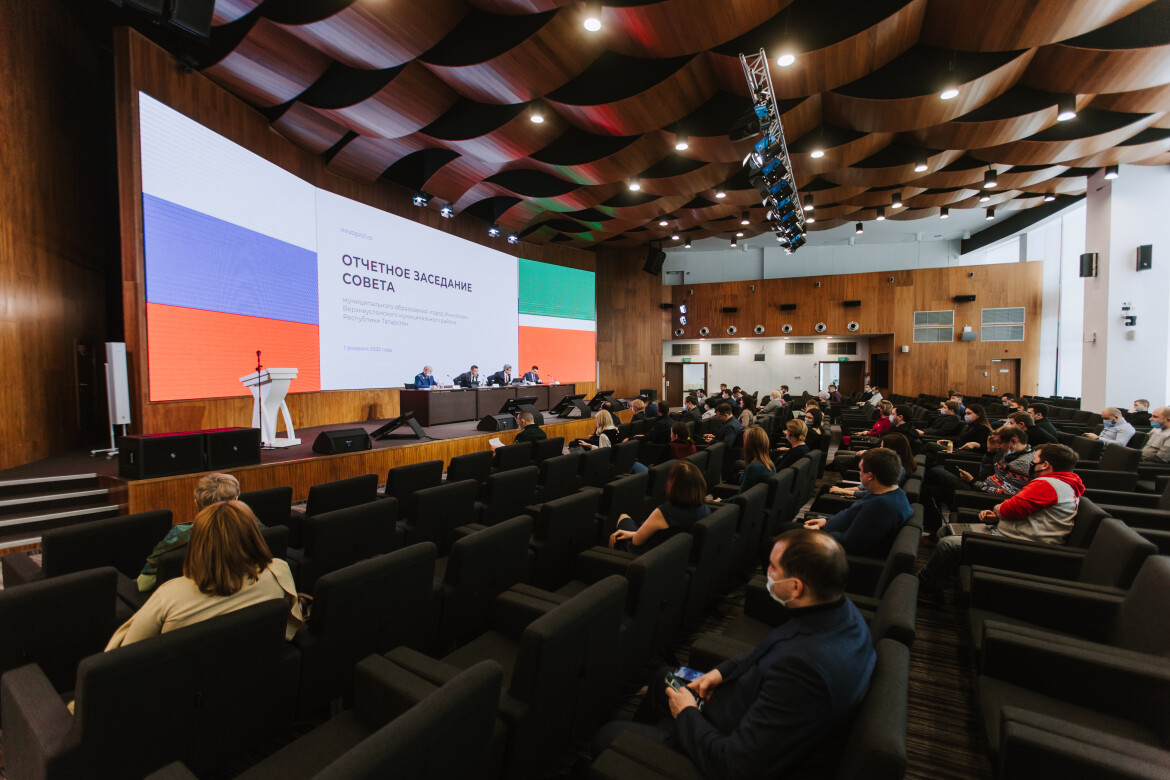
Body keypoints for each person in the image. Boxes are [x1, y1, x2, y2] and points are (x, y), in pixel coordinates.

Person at [594, 530, 874, 780]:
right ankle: (644, 748)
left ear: (796, 587)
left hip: (724, 742)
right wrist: (720, 672)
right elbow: (766, 652)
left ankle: (636, 753)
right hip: (737, 702)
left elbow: (736, 766)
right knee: (663, 677)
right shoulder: (840, 612)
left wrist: (686, 714)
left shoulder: (804, 671)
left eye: (773, 568)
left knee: (608, 737)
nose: (767, 573)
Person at [110, 501, 302, 648]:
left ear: (198, 542)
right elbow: (289, 629)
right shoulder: (279, 571)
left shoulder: (169, 596)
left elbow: (125, 659)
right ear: (253, 535)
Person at [918, 444, 1085, 601]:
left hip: (1023, 545)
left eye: (1034, 460)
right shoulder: (1064, 484)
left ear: (1045, 465)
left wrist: (999, 510)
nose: (1031, 463)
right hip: (1017, 534)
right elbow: (1028, 512)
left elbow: (1008, 509)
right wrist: (998, 517)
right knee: (945, 531)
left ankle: (925, 589)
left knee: (948, 544)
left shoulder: (1047, 485)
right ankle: (942, 580)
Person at [138, 473, 264, 592]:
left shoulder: (179, 536)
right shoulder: (252, 525)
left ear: (196, 502)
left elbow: (143, 584)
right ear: (236, 500)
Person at [920, 426, 1032, 533]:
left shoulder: (1022, 463)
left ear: (1013, 441)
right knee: (929, 489)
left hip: (985, 498)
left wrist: (973, 482)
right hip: (981, 488)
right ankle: (932, 532)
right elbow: (984, 475)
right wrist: (989, 452)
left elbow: (1005, 494)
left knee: (935, 471)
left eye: (1000, 442)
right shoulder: (1012, 454)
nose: (998, 446)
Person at [804, 448, 913, 558]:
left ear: (870, 476)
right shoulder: (894, 493)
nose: (859, 474)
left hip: (830, 548)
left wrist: (819, 534)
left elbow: (849, 544)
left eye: (861, 470)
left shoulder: (881, 506)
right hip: (829, 530)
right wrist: (826, 521)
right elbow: (849, 515)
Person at [609, 460, 710, 553]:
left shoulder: (665, 512)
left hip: (644, 559)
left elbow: (636, 542)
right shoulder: (705, 511)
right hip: (670, 558)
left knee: (620, 524)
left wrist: (634, 535)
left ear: (674, 486)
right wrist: (633, 534)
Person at [830, 432, 915, 497]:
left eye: (882, 447)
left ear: (891, 450)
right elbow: (869, 487)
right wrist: (844, 489)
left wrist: (843, 491)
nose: (880, 449)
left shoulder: (897, 470)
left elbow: (875, 493)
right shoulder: (895, 464)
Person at [715, 426, 774, 500]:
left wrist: (721, 501)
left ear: (750, 445)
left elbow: (741, 497)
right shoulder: (770, 463)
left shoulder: (753, 467)